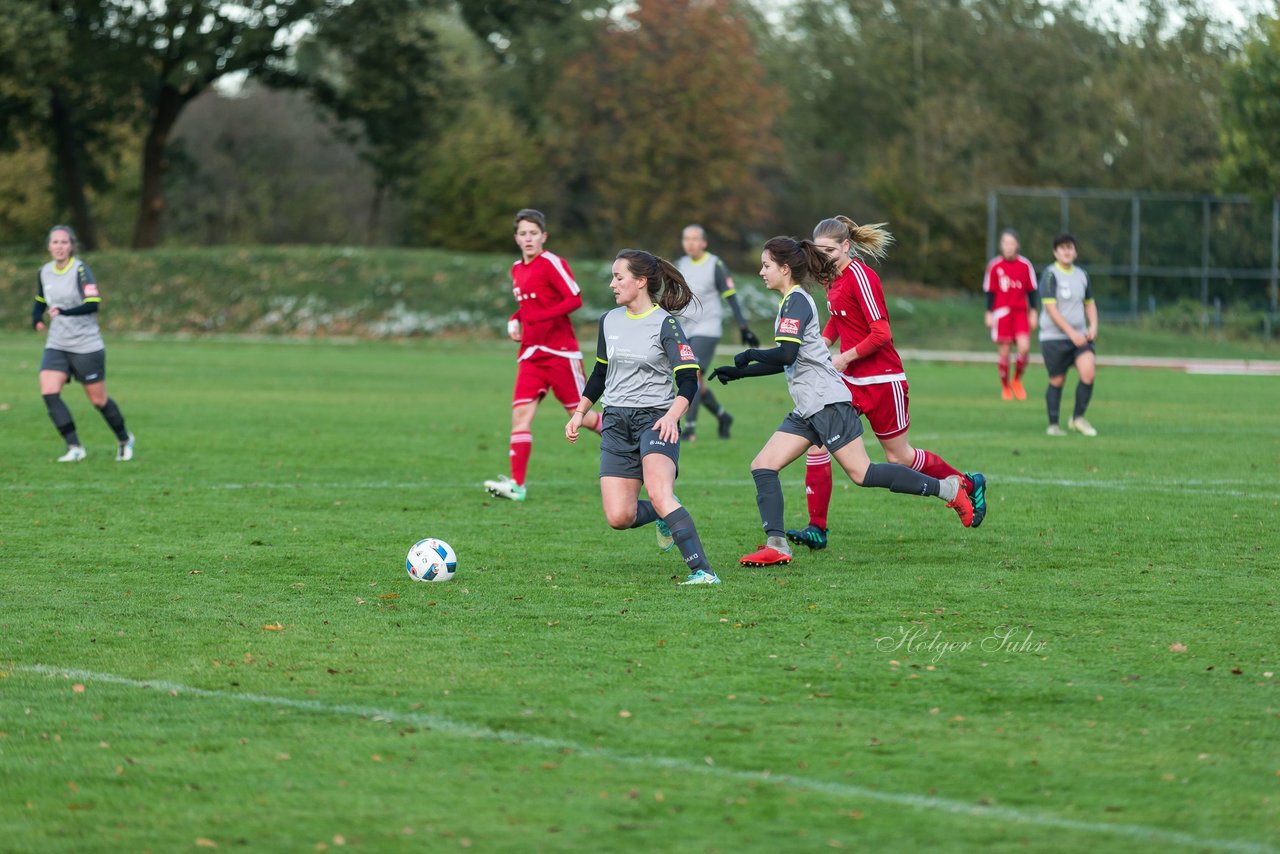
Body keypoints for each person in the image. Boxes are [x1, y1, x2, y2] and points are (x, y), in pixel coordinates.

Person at [707, 236, 974, 568]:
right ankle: (776, 545)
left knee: (862, 473)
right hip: (809, 407)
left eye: (766, 266)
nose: (761, 272)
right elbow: (788, 360)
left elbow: (786, 353)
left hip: (828, 403)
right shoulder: (789, 301)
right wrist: (740, 372)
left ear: (785, 268)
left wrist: (749, 354)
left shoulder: (796, 302)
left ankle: (948, 489)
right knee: (763, 465)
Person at [784, 216, 987, 552]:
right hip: (849, 383)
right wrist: (822, 344)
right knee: (818, 442)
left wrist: (844, 357)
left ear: (846, 247)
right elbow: (840, 315)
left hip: (883, 381)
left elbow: (882, 333)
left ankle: (967, 482)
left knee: (898, 457)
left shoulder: (861, 276)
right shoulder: (831, 279)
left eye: (830, 250)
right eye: (819, 251)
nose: (824, 257)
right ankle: (817, 528)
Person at [565, 249, 720, 585]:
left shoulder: (666, 324)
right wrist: (580, 412)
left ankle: (703, 572)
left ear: (640, 281)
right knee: (620, 517)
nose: (612, 284)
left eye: (619, 277)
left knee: (658, 491)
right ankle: (666, 510)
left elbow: (689, 378)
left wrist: (671, 416)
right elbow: (600, 372)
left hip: (655, 420)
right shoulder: (609, 321)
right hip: (616, 422)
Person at [485, 209, 601, 502]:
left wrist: (539, 318)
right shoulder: (516, 269)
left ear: (543, 236)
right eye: (523, 234)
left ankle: (633, 445)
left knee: (583, 420)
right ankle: (517, 486)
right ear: (516, 238)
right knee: (520, 417)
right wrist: (516, 319)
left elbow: (575, 298)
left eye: (533, 233)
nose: (528, 239)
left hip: (561, 353)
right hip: (531, 354)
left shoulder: (552, 263)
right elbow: (527, 307)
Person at [32, 224, 135, 462]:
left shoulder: (80, 270)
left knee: (98, 400)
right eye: (55, 242)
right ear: (49, 246)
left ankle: (124, 438)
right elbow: (40, 299)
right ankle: (74, 447)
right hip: (57, 343)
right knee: (49, 391)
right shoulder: (44, 271)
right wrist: (36, 317)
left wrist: (65, 312)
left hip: (86, 345)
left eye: (64, 242)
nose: (59, 246)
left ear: (71, 246)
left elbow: (93, 303)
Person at [674, 224, 759, 442]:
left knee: (691, 374)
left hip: (708, 329)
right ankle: (723, 416)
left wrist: (743, 327)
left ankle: (689, 429)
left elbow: (731, 296)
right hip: (686, 329)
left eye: (695, 239)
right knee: (697, 381)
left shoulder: (714, 264)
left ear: (704, 243)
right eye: (686, 239)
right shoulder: (681, 264)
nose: (690, 243)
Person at [1039, 233, 1098, 437]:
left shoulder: (1082, 275)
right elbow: (1051, 309)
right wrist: (1071, 333)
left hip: (1079, 338)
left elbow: (1089, 303)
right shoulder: (1049, 274)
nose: (1067, 251)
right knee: (1057, 380)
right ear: (1055, 252)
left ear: (1075, 251)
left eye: (1070, 247)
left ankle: (1077, 418)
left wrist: (1093, 326)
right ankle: (1053, 424)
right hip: (1054, 338)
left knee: (1088, 373)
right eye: (1062, 248)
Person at [983, 229, 1039, 400]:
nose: (1008, 246)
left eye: (1011, 243)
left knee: (1024, 348)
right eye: (1005, 243)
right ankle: (1005, 386)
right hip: (1002, 313)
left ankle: (1016, 381)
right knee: (1005, 351)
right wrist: (989, 313)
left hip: (1021, 312)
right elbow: (989, 292)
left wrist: (1034, 312)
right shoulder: (994, 266)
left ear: (1017, 245)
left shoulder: (1025, 265)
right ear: (1001, 245)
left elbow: (1032, 290)